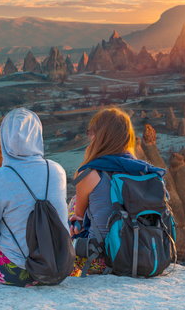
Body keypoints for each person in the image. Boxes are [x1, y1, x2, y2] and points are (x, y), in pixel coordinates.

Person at [0, 107, 68, 287]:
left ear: (4, 139)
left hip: (17, 272)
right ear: (38, 135)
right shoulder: (57, 171)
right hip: (59, 266)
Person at [68, 107, 166, 276]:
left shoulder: (89, 173)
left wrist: (74, 220)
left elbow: (79, 215)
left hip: (101, 259)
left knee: (72, 204)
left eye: (91, 132)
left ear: (99, 136)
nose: (89, 136)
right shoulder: (145, 172)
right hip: (149, 255)